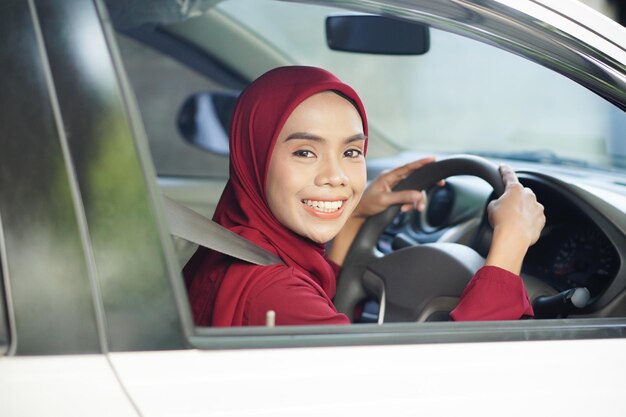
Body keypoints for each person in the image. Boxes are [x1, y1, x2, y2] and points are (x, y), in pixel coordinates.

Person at [184, 66, 545, 326]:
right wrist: (510, 245)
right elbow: (440, 393)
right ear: (254, 158)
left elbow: (319, 299)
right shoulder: (276, 295)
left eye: (352, 152)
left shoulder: (231, 247)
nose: (336, 177)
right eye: (305, 152)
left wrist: (357, 215)